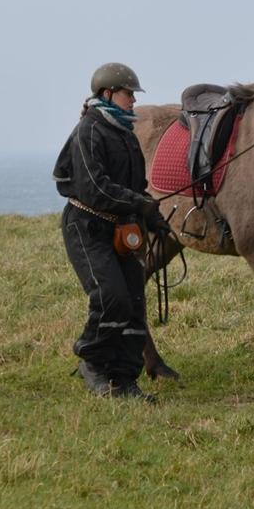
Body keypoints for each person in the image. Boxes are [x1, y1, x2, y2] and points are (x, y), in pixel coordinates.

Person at [53, 62, 171, 400]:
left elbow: (136, 187)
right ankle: (92, 361)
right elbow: (95, 190)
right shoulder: (88, 132)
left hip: (122, 228)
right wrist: (140, 203)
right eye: (128, 93)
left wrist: (153, 218)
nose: (133, 100)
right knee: (110, 297)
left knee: (134, 303)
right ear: (108, 94)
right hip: (87, 227)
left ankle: (124, 379)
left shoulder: (124, 133)